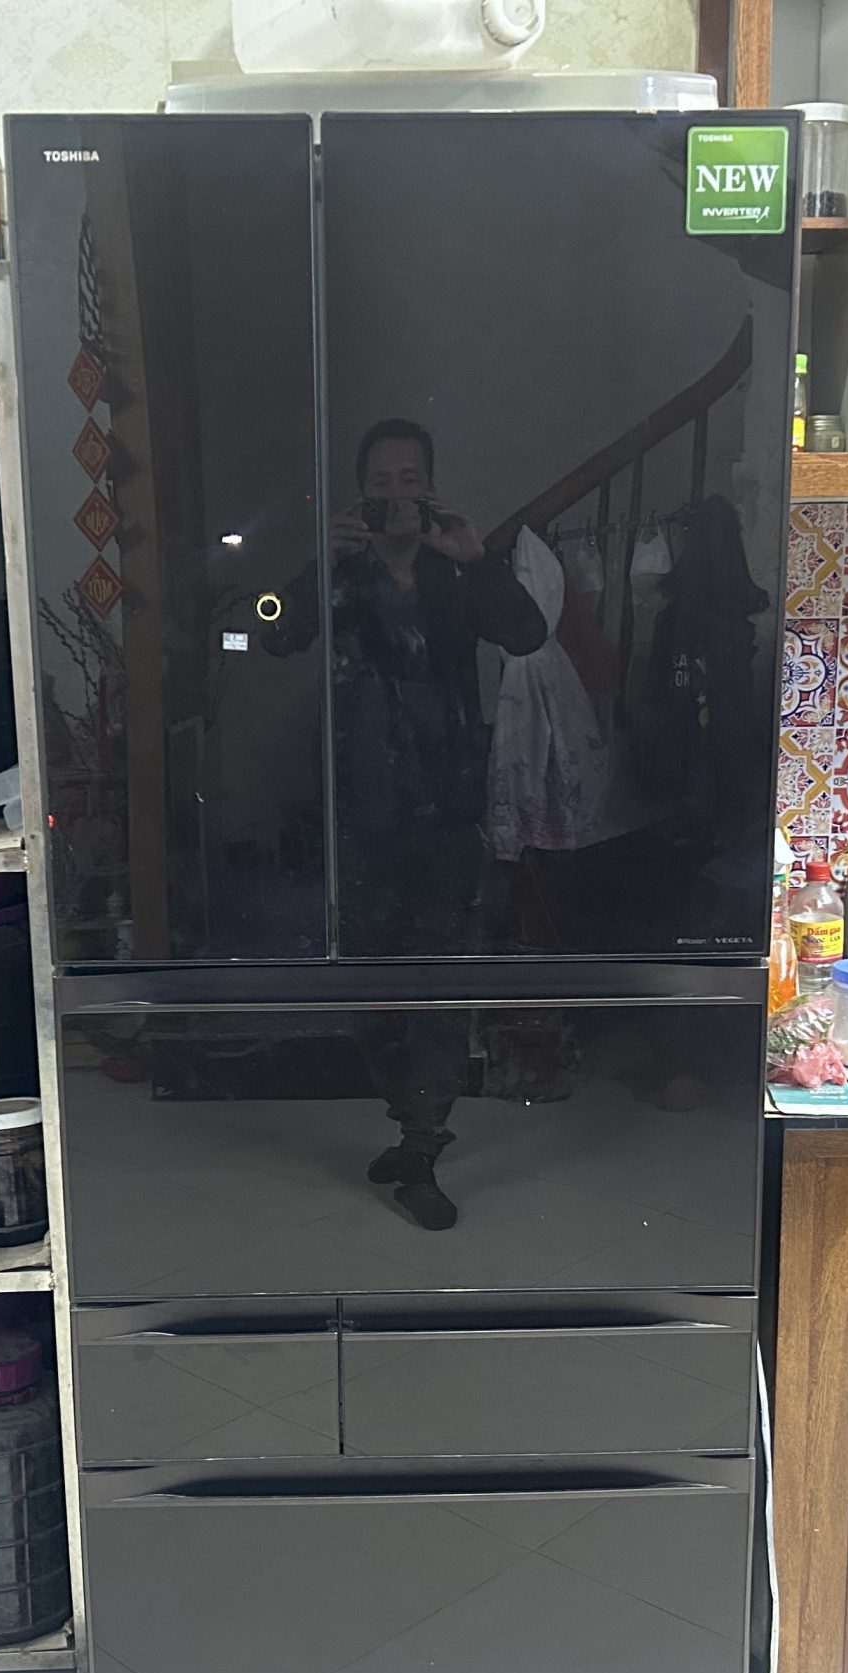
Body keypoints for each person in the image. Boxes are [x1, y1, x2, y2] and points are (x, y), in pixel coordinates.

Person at [277, 417, 547, 1228]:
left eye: (410, 479)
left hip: (447, 812)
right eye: (381, 482)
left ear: (429, 488)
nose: (396, 495)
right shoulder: (344, 573)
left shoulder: (455, 573)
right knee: (366, 982)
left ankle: (423, 1143)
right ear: (361, 493)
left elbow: (528, 635)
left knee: (438, 981)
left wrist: (479, 558)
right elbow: (272, 635)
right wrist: (320, 563)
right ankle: (409, 1120)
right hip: (360, 811)